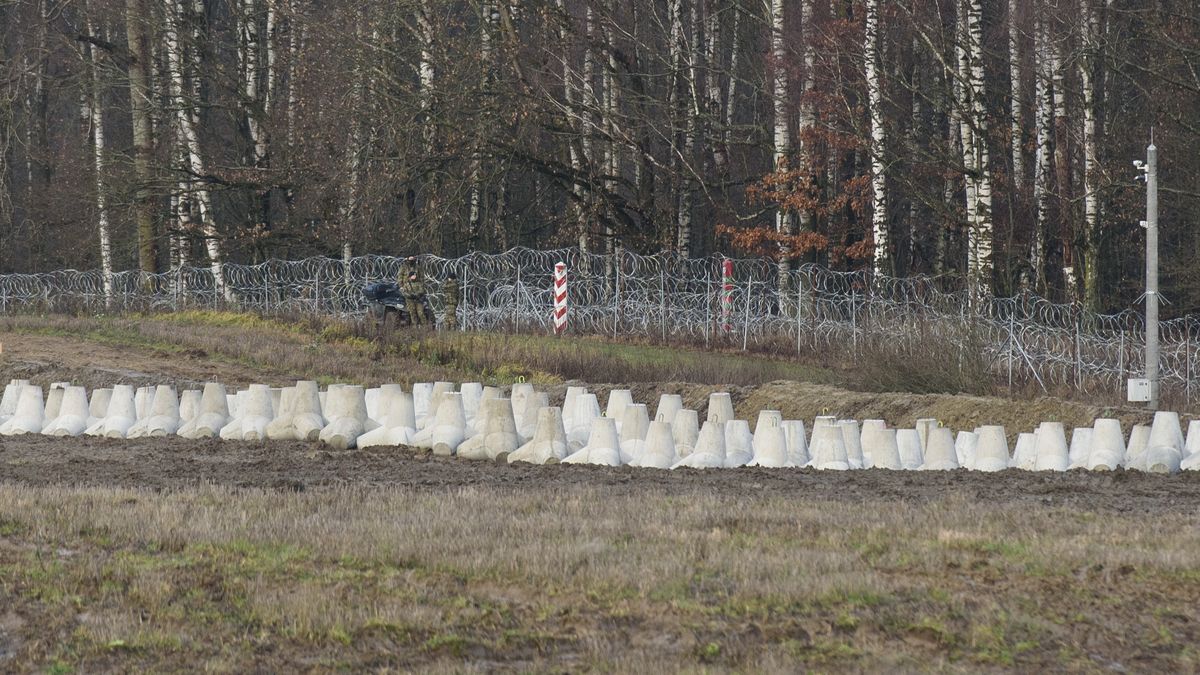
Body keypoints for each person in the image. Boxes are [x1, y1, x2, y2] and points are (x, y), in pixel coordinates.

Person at [398, 256, 428, 326]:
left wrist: (421, 289)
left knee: (420, 313)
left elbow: (422, 277)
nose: (411, 261)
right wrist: (401, 286)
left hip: (417, 290)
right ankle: (415, 326)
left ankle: (425, 327)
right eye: (410, 259)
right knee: (412, 312)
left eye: (412, 259)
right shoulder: (404, 267)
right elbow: (400, 277)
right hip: (407, 287)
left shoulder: (417, 267)